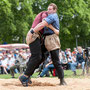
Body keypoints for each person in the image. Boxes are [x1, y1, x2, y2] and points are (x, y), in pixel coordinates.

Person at [19, 3, 66, 86]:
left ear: (55, 10)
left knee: (55, 60)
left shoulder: (52, 16)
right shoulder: (47, 15)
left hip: (52, 39)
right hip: (45, 39)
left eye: (50, 9)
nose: (48, 11)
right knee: (39, 57)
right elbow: (44, 24)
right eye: (48, 9)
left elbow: (42, 24)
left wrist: (32, 31)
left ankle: (62, 80)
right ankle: (27, 75)